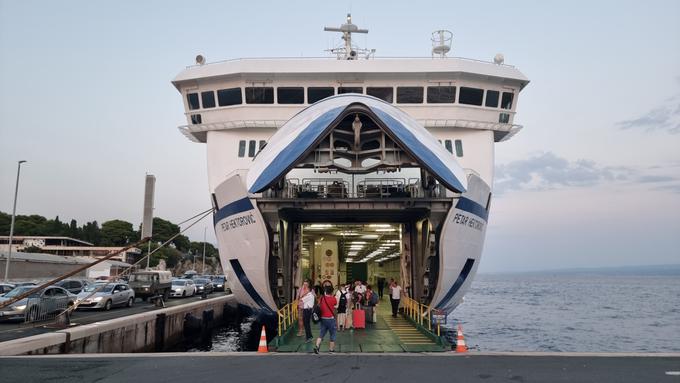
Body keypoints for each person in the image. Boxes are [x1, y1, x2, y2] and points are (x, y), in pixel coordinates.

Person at [314, 285, 337, 354]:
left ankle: (317, 347)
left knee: (321, 334)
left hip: (323, 319)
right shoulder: (333, 299)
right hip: (331, 319)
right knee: (332, 334)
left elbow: (319, 305)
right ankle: (331, 350)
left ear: (325, 291)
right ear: (332, 292)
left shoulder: (322, 298)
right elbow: (335, 305)